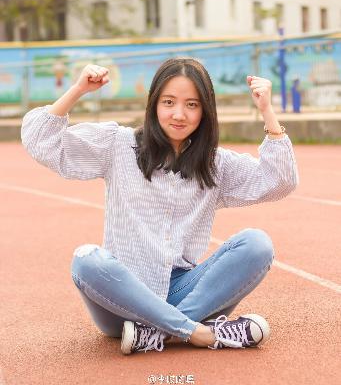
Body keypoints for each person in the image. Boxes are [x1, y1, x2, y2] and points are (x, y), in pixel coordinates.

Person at [21, 58, 298, 355]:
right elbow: (41, 142)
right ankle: (198, 333)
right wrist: (77, 90)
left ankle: (159, 334)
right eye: (169, 102)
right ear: (154, 104)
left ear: (205, 111)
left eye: (192, 105)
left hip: (182, 293)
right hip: (122, 299)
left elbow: (279, 181)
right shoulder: (118, 145)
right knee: (87, 260)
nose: (179, 114)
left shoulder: (215, 165)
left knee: (257, 244)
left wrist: (267, 111)